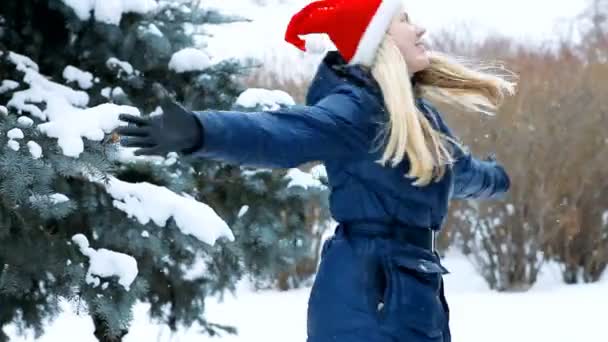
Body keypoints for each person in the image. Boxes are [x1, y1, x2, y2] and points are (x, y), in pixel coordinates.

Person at [116, 0, 515, 341]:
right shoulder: (356, 110)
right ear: (380, 43)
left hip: (408, 291)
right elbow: (281, 133)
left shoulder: (419, 118)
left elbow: (457, 172)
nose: (419, 28)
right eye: (404, 20)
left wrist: (497, 178)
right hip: (369, 297)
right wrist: (201, 131)